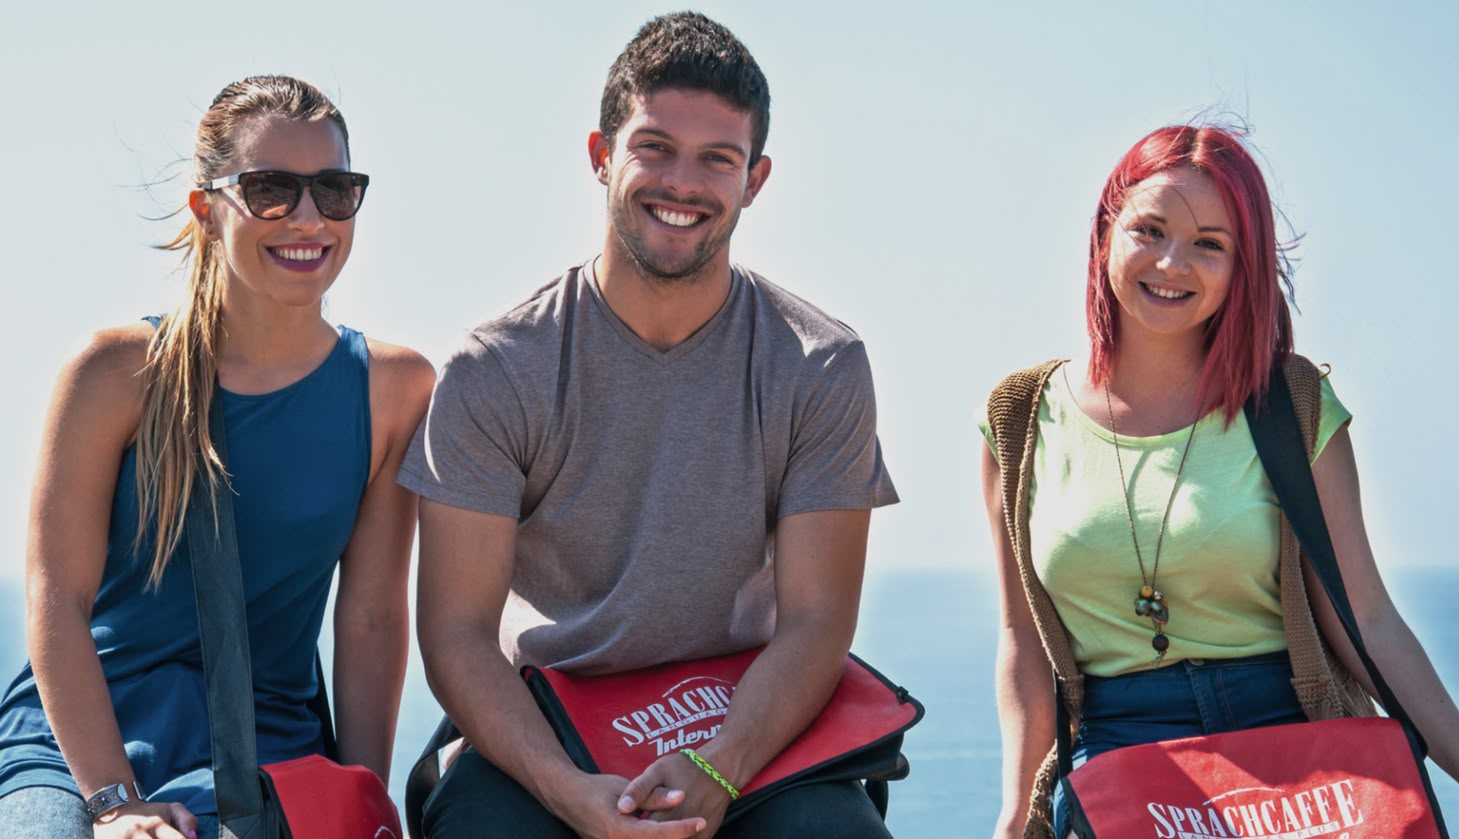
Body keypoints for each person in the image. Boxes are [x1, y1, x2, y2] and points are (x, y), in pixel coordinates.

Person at [399, 12, 898, 839]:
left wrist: (717, 765)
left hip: (743, 723)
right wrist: (567, 791)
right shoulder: (496, 368)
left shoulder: (819, 364)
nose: (683, 182)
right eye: (655, 147)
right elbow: (455, 632)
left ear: (756, 179)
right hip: (549, 727)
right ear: (601, 156)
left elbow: (816, 622)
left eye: (718, 159)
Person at [979, 124, 1459, 838]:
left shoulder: (1292, 402)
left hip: (1297, 748)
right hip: (1122, 749)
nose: (1171, 261)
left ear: (1241, 265)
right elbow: (1022, 640)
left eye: (1209, 243)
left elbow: (1367, 620)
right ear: (1105, 233)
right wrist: (1012, 813)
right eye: (1149, 229)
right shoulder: (1019, 419)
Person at [0, 75, 434, 838]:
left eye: (334, 190)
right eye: (271, 189)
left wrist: (366, 802)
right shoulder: (113, 372)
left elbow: (369, 618)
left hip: (269, 754)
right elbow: (55, 602)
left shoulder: (393, 390)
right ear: (207, 209)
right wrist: (113, 802)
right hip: (75, 751)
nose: (308, 217)